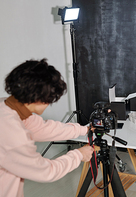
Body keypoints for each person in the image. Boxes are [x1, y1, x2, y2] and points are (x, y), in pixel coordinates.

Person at [0, 59, 94, 197]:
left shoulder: (8, 106)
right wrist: (78, 155)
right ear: (41, 99)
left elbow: (43, 128)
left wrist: (84, 130)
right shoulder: (12, 133)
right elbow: (46, 172)